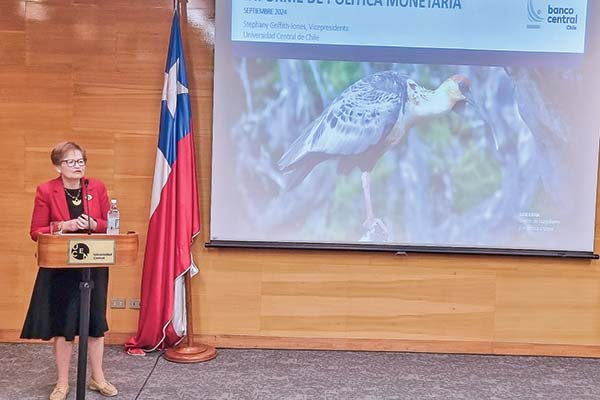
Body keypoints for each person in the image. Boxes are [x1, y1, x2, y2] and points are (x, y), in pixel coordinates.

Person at [21, 141, 118, 400]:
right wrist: (66, 225)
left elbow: (110, 225)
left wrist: (94, 223)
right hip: (61, 267)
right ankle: (62, 383)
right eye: (71, 162)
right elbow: (36, 231)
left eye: (81, 161)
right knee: (64, 326)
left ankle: (98, 378)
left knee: (95, 324)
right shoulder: (46, 190)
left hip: (93, 264)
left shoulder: (95, 187)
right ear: (57, 166)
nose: (78, 166)